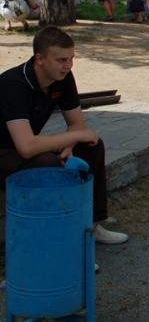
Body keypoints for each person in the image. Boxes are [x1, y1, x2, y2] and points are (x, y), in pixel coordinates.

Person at [0, 26, 129, 245]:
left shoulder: (63, 77)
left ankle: (92, 225)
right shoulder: (13, 84)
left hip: (22, 148)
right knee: (49, 163)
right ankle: (60, 240)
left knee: (92, 146)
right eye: (61, 60)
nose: (68, 66)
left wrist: (69, 147)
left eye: (71, 59)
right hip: (4, 151)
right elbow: (26, 147)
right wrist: (71, 138)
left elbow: (77, 124)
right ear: (40, 59)